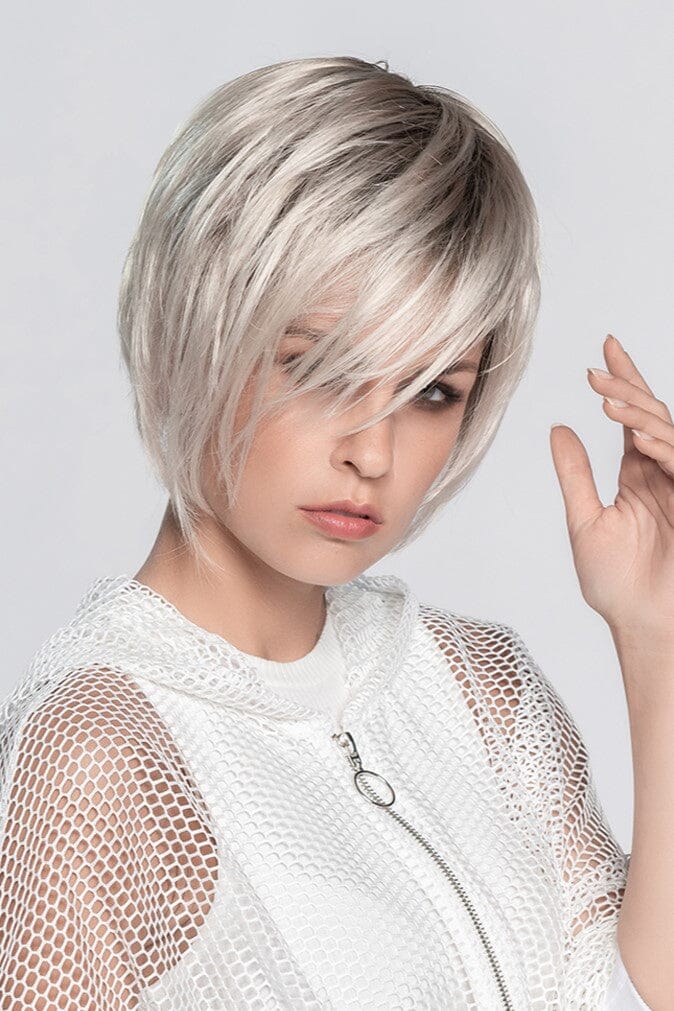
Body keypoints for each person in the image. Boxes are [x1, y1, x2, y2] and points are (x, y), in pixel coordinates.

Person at [0, 55, 668, 1009]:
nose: (374, 451)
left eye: (432, 392)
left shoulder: (481, 690)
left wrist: (656, 636)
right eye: (322, 369)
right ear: (201, 327)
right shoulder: (105, 754)